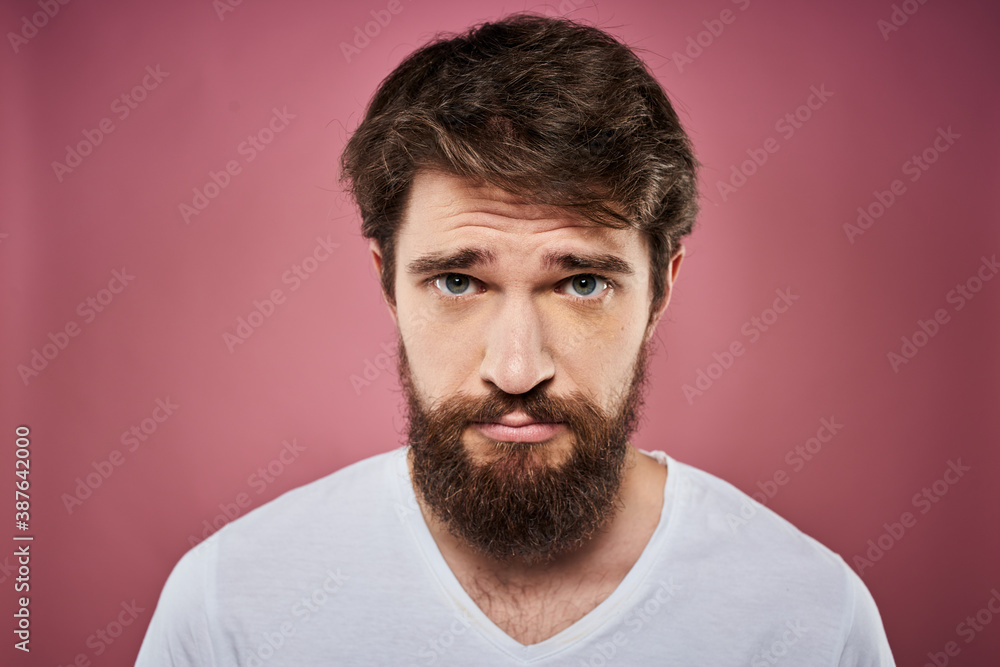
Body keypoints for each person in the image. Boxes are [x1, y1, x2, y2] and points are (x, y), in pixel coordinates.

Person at [136, 13, 895, 665]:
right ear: (387, 281)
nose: (516, 368)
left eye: (582, 283)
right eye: (458, 281)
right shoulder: (229, 605)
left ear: (662, 288)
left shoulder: (812, 616)